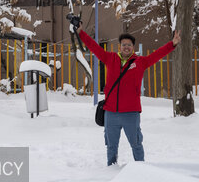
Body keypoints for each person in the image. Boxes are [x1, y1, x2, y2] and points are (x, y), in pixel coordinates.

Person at [73, 23, 181, 166]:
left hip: (131, 113)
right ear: (120, 46)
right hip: (111, 112)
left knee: (136, 144)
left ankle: (141, 169)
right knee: (111, 146)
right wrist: (81, 33)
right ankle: (111, 170)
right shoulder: (109, 58)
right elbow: (94, 47)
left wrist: (172, 44)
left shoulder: (140, 62)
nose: (126, 47)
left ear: (133, 47)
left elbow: (157, 55)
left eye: (129, 45)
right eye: (124, 44)